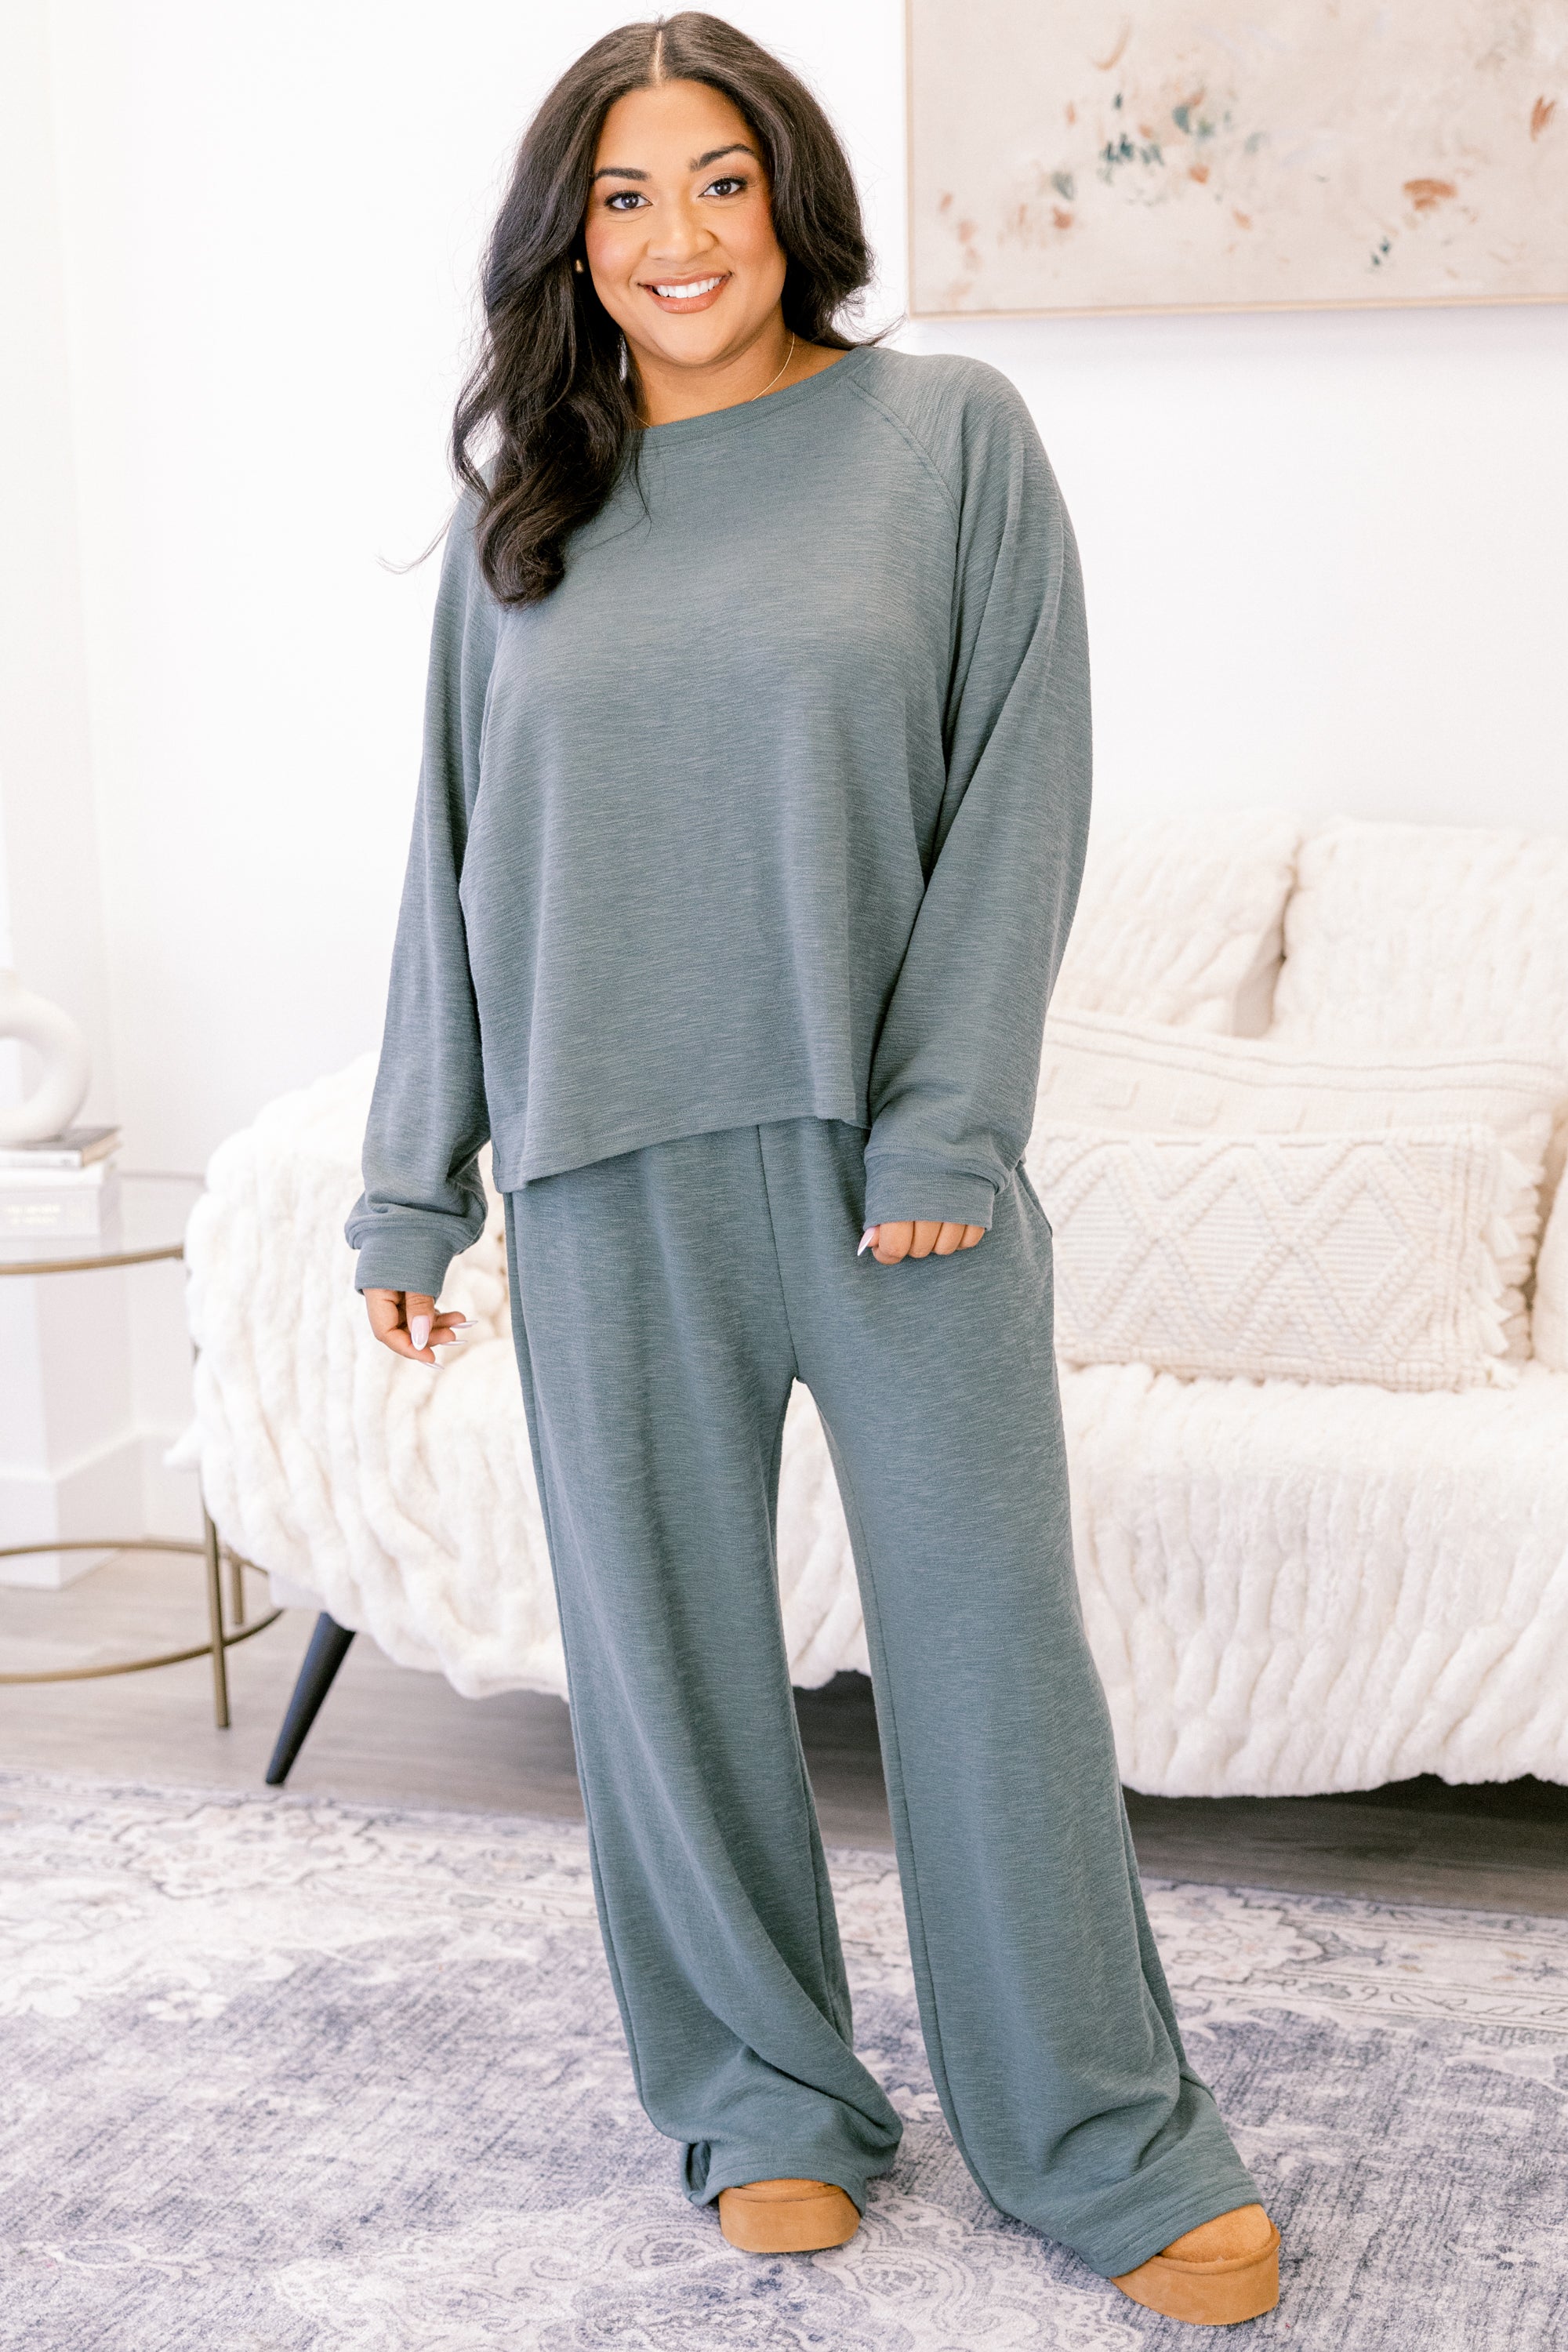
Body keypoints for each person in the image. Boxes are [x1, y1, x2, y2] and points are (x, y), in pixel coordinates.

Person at [343, 12, 1280, 2328]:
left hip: (895, 1179)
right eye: (625, 195)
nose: (677, 236)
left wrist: (950, 1116)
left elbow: (1019, 790)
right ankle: (764, 2101)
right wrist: (412, 1185)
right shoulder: (525, 514)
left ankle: (1095, 2133)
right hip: (599, 1177)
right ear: (571, 236)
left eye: (721, 181)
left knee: (992, 1666)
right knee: (664, 1679)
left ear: (792, 199)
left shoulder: (944, 439)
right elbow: (452, 859)